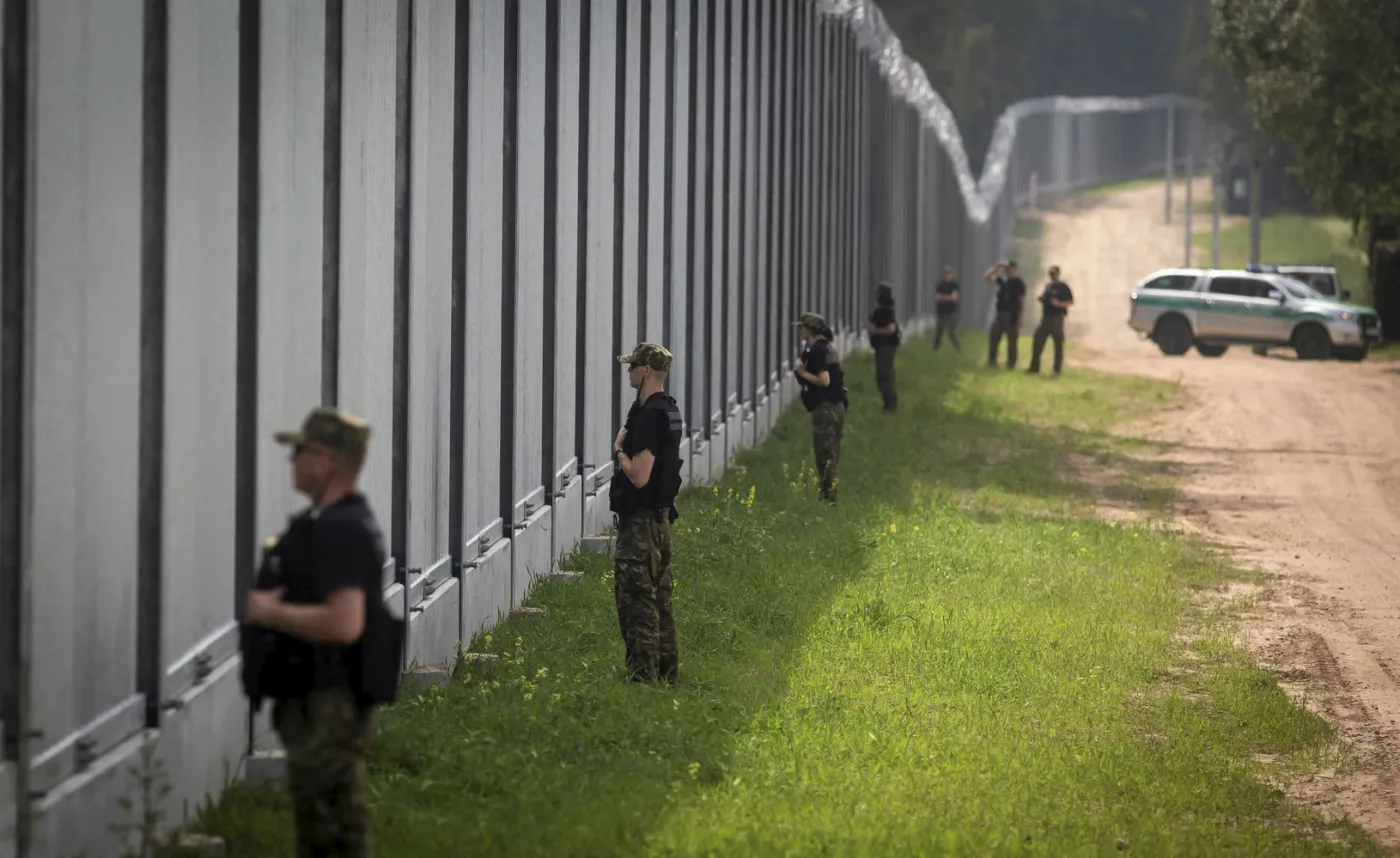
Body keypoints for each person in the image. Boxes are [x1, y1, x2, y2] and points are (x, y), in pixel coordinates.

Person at [244, 407, 391, 858]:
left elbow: (344, 622)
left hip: (328, 705)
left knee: (331, 832)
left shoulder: (341, 530)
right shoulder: (332, 524)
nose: (292, 461)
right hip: (317, 701)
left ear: (326, 460)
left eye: (299, 452)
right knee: (325, 827)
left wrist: (272, 612)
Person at [609, 343, 685, 684]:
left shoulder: (650, 416)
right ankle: (667, 675)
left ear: (648, 372)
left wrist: (618, 452)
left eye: (633, 367)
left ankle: (643, 679)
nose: (629, 372)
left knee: (637, 603)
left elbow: (640, 476)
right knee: (660, 600)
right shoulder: (668, 410)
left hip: (640, 524)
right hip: (660, 519)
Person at [793, 312, 847, 504]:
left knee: (824, 455)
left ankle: (828, 499)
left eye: (802, 327)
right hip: (837, 406)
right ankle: (829, 495)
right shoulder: (828, 349)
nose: (800, 331)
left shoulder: (817, 351)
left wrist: (801, 372)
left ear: (809, 329)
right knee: (832, 453)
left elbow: (824, 380)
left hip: (825, 408)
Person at [1028, 265, 1075, 375]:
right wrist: (1041, 299)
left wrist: (1059, 304)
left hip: (1057, 319)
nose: (1052, 276)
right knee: (1038, 341)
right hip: (1046, 318)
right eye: (1050, 274)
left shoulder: (1063, 287)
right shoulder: (1048, 286)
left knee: (1058, 344)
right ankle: (1034, 367)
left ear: (1058, 274)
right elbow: (1046, 299)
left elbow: (1070, 302)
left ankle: (1056, 369)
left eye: (1054, 274)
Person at [982, 259, 1026, 368]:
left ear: (1014, 269)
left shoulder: (1019, 283)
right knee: (994, 336)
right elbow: (987, 277)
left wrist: (1020, 317)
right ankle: (992, 360)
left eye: (1009, 269)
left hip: (1012, 315)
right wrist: (996, 266)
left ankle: (1011, 363)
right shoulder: (1003, 281)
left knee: (1011, 340)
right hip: (1000, 313)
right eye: (1006, 269)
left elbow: (1022, 300)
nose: (1007, 271)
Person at [867, 282, 900, 411]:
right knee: (885, 374)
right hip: (883, 347)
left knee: (884, 374)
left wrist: (875, 330)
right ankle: (889, 403)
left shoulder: (885, 311)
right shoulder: (886, 310)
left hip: (885, 346)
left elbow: (891, 329)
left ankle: (890, 404)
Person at [932, 266, 962, 351]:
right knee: (939, 331)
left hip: (952, 311)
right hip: (941, 311)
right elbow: (937, 297)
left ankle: (958, 348)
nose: (947, 276)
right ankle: (935, 348)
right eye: (946, 274)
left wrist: (943, 297)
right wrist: (948, 297)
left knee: (951, 331)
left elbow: (954, 298)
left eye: (949, 274)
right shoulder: (940, 285)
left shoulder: (955, 285)